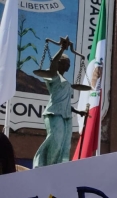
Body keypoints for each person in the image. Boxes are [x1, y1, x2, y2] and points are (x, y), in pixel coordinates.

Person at [32, 37, 87, 168]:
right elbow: (52, 65)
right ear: (60, 63)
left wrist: (78, 111)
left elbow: (66, 102)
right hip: (53, 113)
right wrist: (62, 48)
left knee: (63, 144)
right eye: (66, 62)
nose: (69, 65)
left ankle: (57, 168)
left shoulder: (65, 81)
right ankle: (46, 167)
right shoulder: (53, 76)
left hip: (65, 115)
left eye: (69, 63)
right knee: (55, 140)